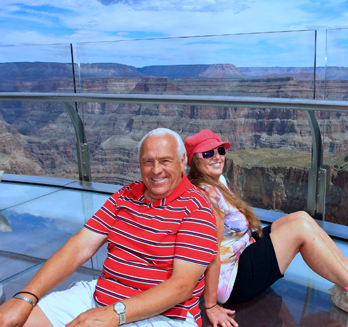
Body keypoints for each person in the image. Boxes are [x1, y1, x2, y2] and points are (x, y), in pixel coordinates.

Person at [0, 128, 218, 327]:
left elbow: (181, 286)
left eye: (165, 161)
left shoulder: (196, 208)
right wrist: (26, 297)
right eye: (148, 161)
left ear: (182, 162)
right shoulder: (125, 195)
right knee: (13, 320)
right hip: (101, 296)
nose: (156, 170)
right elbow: (80, 246)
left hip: (165, 315)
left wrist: (114, 314)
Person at [184, 129, 348, 327]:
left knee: (302, 217)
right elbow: (210, 252)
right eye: (208, 153)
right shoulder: (207, 195)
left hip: (244, 249)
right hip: (235, 281)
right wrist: (210, 305)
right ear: (195, 161)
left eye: (220, 150)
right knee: (300, 229)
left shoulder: (217, 181)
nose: (217, 156)